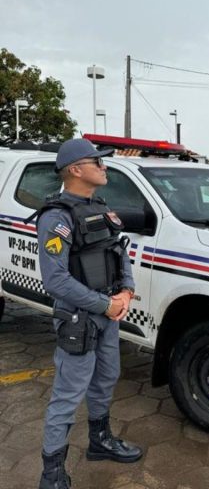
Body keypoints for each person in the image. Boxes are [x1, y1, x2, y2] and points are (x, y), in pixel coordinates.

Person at [30, 139, 142, 489]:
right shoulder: (56, 217)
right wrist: (104, 305)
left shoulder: (100, 206)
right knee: (67, 394)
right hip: (80, 320)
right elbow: (56, 280)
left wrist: (126, 290)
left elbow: (118, 251)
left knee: (106, 379)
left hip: (108, 313)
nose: (104, 166)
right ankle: (52, 474)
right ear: (76, 169)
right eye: (98, 161)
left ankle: (100, 440)